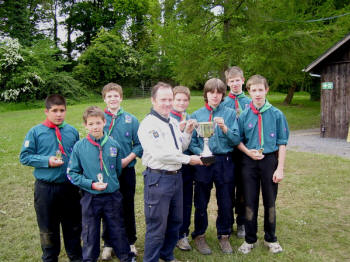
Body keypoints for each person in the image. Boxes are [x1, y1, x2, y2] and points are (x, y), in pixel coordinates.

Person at [138, 82, 203, 262]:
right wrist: (189, 160)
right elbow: (161, 154)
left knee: (175, 221)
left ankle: (167, 255)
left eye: (170, 99)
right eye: (163, 99)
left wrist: (188, 133)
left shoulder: (173, 122)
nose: (167, 103)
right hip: (158, 179)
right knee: (157, 226)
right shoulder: (148, 124)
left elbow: (179, 147)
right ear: (153, 100)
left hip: (176, 178)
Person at [67, 106, 135, 262]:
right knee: (90, 233)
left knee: (117, 228)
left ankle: (125, 257)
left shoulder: (113, 145)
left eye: (98, 122)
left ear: (104, 122)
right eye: (91, 124)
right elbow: (72, 173)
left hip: (112, 196)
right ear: (85, 125)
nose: (95, 127)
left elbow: (118, 170)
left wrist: (109, 183)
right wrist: (90, 184)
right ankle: (89, 258)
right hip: (90, 197)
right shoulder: (79, 147)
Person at [19, 94, 82, 262]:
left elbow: (78, 156)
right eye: (55, 111)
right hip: (46, 189)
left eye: (62, 110)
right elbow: (24, 157)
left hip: (69, 187)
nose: (59, 114)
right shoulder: (35, 132)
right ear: (46, 111)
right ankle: (49, 256)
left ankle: (76, 256)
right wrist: (46, 160)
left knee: (73, 227)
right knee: (48, 228)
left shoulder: (72, 131)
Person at [237, 75, 289, 254]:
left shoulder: (276, 114)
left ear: (266, 90)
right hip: (249, 162)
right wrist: (247, 152)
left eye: (260, 90)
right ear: (248, 92)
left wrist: (280, 168)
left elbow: (282, 143)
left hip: (269, 161)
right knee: (250, 201)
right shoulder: (244, 115)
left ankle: (270, 238)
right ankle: (250, 239)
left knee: (270, 201)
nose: (257, 94)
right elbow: (238, 141)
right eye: (253, 90)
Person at [189, 78, 241, 255]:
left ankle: (224, 234)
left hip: (224, 160)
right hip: (204, 162)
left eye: (219, 92)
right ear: (206, 94)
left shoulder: (230, 113)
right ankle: (199, 234)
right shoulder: (196, 115)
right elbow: (192, 143)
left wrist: (225, 128)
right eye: (211, 92)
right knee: (201, 199)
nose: (215, 96)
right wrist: (202, 154)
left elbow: (236, 140)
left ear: (223, 95)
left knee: (226, 199)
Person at [100, 83, 143, 260]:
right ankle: (108, 243)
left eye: (116, 96)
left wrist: (128, 159)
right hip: (106, 172)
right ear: (104, 99)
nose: (113, 99)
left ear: (121, 97)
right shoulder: (99, 118)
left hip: (126, 170)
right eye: (109, 96)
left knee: (127, 205)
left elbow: (140, 144)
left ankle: (129, 241)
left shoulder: (131, 120)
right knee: (107, 207)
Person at [222, 66, 251, 239]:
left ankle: (241, 222)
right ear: (227, 83)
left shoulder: (249, 102)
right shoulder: (224, 102)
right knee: (227, 188)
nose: (235, 84)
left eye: (237, 80)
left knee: (243, 188)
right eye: (231, 81)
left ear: (243, 80)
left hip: (245, 151)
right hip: (228, 151)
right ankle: (227, 222)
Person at [170, 86, 195, 251]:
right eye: (178, 99)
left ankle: (183, 234)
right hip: (171, 166)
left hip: (187, 166)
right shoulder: (167, 118)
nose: (181, 103)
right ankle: (169, 234)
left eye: (185, 100)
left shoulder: (190, 118)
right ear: (172, 100)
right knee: (171, 202)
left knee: (186, 201)